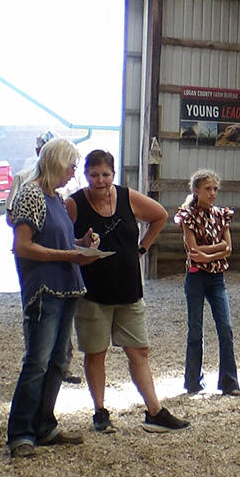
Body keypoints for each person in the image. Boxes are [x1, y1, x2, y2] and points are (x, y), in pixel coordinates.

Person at [71, 150, 185, 434]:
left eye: (106, 174)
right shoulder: (74, 203)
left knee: (139, 350)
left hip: (128, 288)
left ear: (114, 174)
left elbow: (160, 215)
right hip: (93, 291)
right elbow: (61, 239)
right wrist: (80, 245)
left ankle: (154, 411)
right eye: (94, 175)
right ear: (86, 175)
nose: (100, 180)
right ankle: (100, 412)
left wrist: (142, 248)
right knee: (96, 353)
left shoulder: (126, 197)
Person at [6, 138, 106, 457]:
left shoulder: (56, 198)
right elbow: (23, 246)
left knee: (58, 361)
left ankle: (44, 424)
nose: (73, 173)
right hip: (45, 289)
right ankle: (20, 432)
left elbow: (58, 241)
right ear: (56, 164)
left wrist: (81, 243)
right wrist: (68, 255)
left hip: (65, 287)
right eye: (70, 167)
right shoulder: (32, 195)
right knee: (37, 361)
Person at [175, 170, 238, 396]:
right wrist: (218, 248)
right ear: (196, 191)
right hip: (196, 278)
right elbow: (193, 250)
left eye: (215, 189)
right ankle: (193, 381)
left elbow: (228, 249)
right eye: (207, 189)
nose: (212, 193)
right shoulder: (187, 216)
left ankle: (229, 382)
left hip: (216, 277)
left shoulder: (221, 215)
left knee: (226, 328)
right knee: (195, 330)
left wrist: (208, 255)